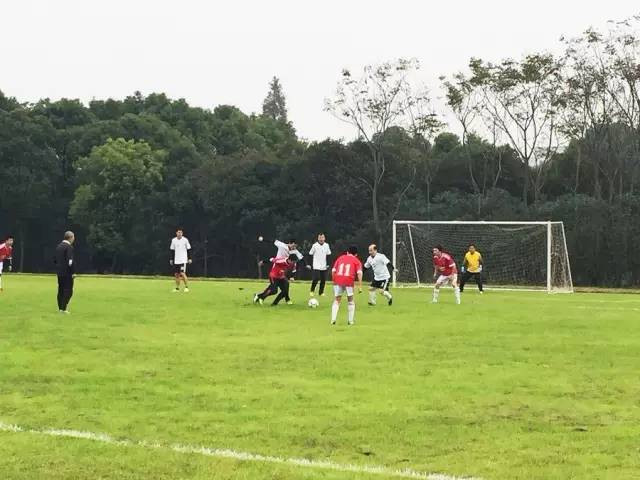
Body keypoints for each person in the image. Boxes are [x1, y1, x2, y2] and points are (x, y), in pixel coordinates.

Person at [331, 246, 363, 326]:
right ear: (356, 254)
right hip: (349, 280)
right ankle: (350, 321)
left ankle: (333, 319)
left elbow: (333, 270)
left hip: (338, 279)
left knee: (337, 300)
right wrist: (360, 286)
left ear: (347, 252)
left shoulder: (340, 258)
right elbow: (359, 273)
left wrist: (334, 281)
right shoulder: (357, 261)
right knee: (350, 300)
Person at [54, 231, 75, 313]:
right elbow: (70, 261)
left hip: (59, 272)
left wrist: (58, 267)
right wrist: (72, 272)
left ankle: (60, 308)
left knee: (61, 290)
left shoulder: (58, 246)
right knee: (68, 290)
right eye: (73, 237)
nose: (74, 239)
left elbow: (55, 259)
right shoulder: (69, 247)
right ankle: (64, 308)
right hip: (67, 272)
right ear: (70, 238)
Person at [170, 228, 192, 292]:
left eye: (181, 232)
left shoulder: (185, 240)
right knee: (176, 274)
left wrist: (189, 258)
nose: (180, 234)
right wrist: (171, 259)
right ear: (176, 233)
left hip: (183, 260)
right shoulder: (173, 240)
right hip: (176, 260)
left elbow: (188, 249)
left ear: (182, 233)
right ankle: (177, 288)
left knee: (182, 273)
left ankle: (186, 287)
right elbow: (172, 250)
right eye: (178, 232)